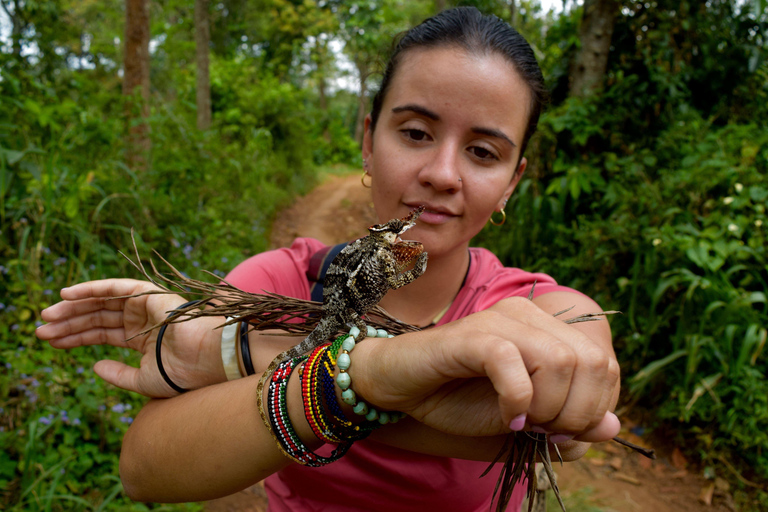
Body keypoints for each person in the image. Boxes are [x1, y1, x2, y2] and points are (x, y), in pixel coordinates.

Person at [36, 7, 621, 512]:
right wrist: (367, 375)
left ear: (512, 181)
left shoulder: (543, 309)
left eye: (482, 151)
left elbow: (570, 422)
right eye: (416, 133)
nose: (442, 173)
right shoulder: (277, 281)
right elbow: (147, 469)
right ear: (369, 140)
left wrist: (247, 354)